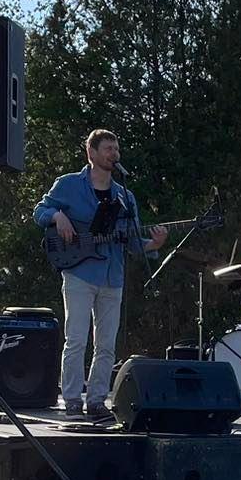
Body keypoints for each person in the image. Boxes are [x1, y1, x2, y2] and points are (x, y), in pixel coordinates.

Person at [33, 129, 166, 416]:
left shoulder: (125, 196)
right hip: (79, 272)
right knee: (76, 339)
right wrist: (57, 216)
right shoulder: (69, 184)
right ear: (91, 153)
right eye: (108, 148)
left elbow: (133, 242)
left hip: (112, 276)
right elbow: (40, 210)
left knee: (106, 345)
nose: (114, 154)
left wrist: (153, 244)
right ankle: (71, 399)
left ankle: (96, 400)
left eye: (116, 149)